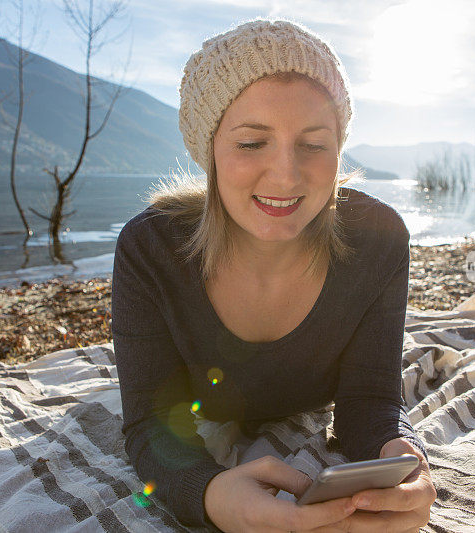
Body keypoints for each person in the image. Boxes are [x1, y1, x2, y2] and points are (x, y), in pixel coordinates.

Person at [111, 17, 436, 532]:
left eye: (314, 144)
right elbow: (152, 423)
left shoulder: (378, 240)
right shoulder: (151, 248)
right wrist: (210, 493)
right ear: (210, 150)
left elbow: (369, 402)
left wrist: (406, 458)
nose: (286, 175)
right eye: (250, 143)